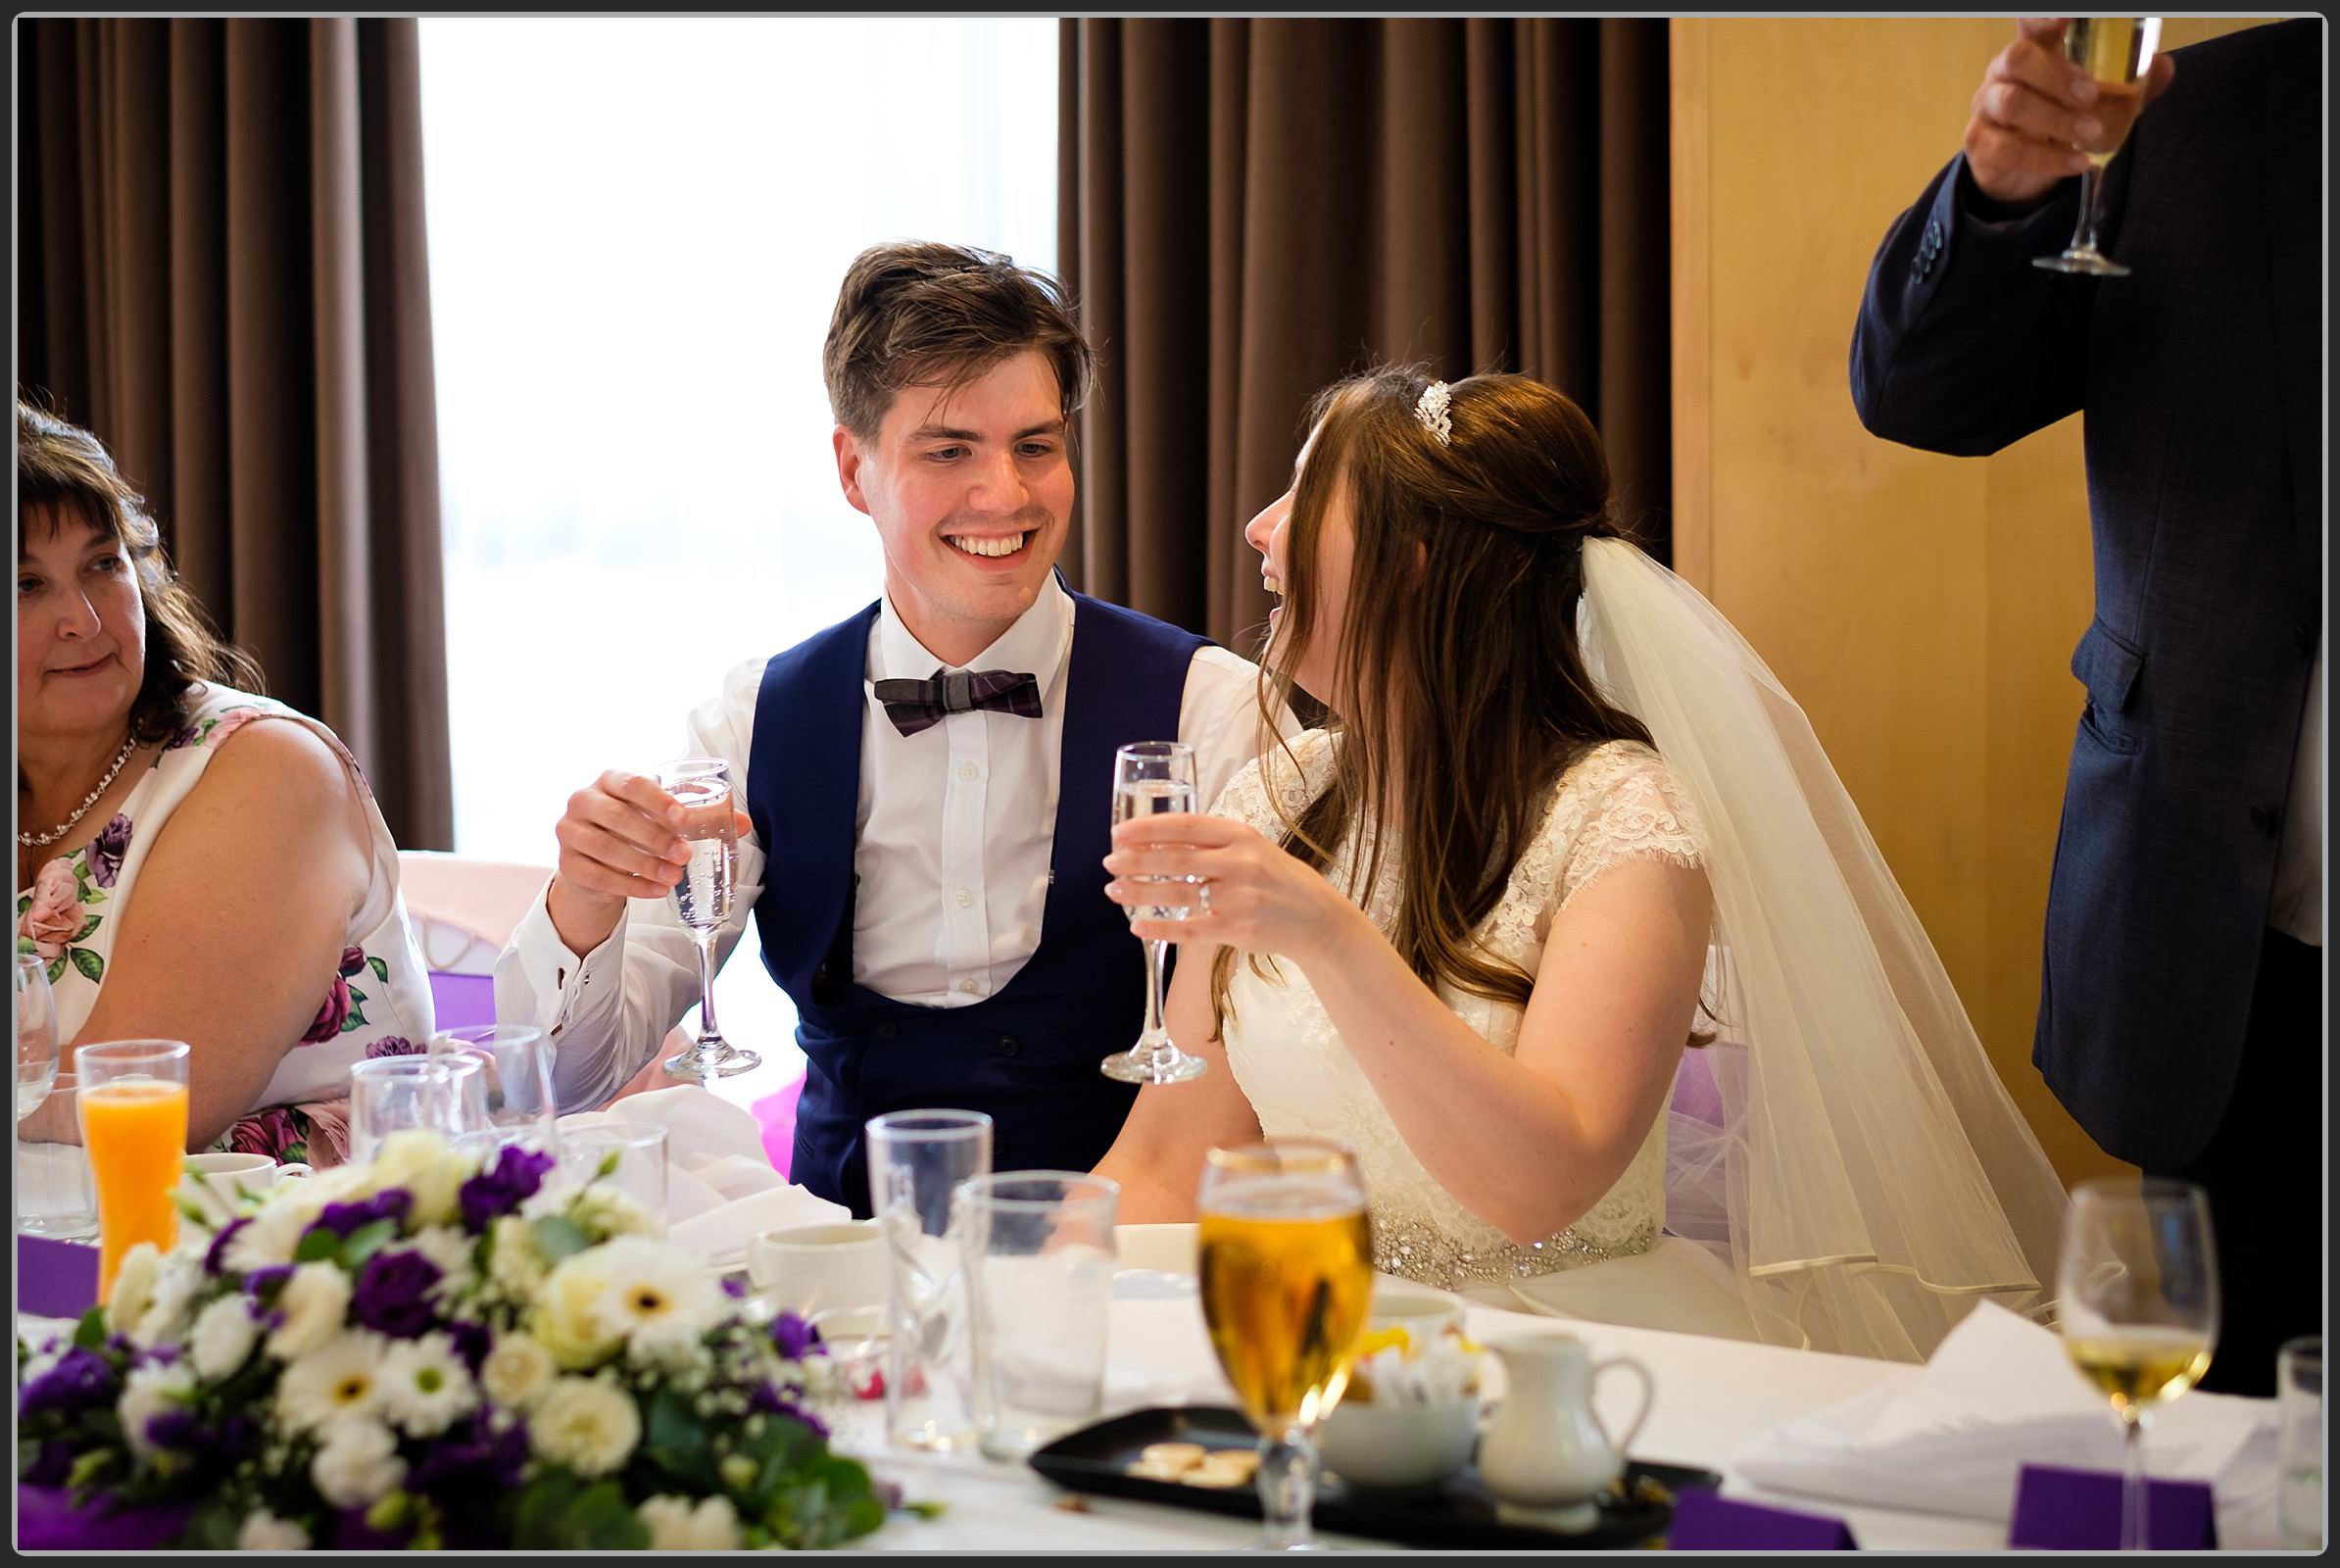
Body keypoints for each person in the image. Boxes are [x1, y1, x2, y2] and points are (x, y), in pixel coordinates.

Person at [1093, 368, 2072, 1363]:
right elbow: (1171, 1164)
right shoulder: (1281, 797)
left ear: (1416, 565)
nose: (1261, 527)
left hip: (1564, 1357)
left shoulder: (1622, 815)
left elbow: (1542, 1187)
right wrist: (1007, 1295)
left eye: (1308, 495)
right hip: (1311, 1332)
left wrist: (1328, 935)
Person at [494, 242, 1284, 1215]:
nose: (1006, 494)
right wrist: (585, 895)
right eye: (950, 450)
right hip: (836, 1267)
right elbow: (570, 1080)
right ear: (852, 468)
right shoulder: (752, 723)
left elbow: (1283, 1051)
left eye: (1036, 445)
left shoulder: (1212, 706)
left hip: (1135, 1262)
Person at [1848, 19, 2319, 1395]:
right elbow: (1926, 391)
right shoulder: (2211, 115)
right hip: (2248, 971)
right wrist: (2000, 190)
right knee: (2236, 1467)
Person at [16, 399, 435, 1165]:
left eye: (103, 564)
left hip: (304, 1252)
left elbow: (137, 1102)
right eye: (25, 585)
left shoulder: (264, 771)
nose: (82, 618)